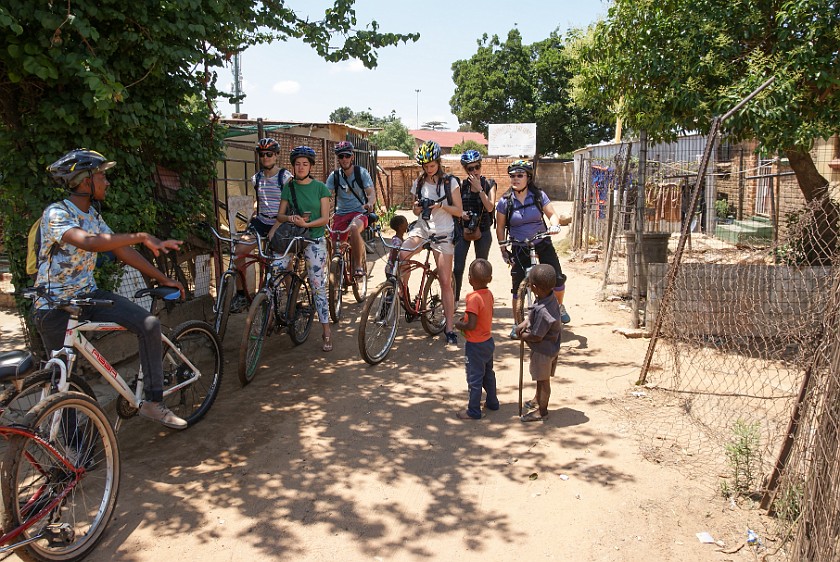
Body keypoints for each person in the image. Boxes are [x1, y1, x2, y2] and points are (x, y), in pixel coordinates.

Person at [34, 149, 188, 429]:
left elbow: (120, 250)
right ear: (84, 181)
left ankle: (153, 402)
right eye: (102, 176)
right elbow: (90, 242)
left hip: (89, 297)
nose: (107, 182)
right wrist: (142, 236)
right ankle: (69, 452)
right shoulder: (56, 213)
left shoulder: (92, 214)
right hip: (54, 305)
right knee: (61, 380)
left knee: (149, 324)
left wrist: (162, 278)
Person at [267, 146, 333, 351]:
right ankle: (269, 317)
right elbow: (280, 216)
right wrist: (291, 218)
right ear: (293, 167)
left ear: (311, 166)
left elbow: (324, 218)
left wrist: (307, 224)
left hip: (314, 238)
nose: (301, 167)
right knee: (274, 274)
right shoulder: (289, 186)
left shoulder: (321, 188)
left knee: (317, 285)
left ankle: (326, 331)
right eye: (297, 164)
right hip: (293, 237)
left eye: (305, 164)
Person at [495, 159, 570, 338]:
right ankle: (516, 324)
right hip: (519, 247)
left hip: (541, 243)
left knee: (557, 280)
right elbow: (500, 228)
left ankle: (558, 307)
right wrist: (504, 250)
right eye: (512, 176)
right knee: (517, 287)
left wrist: (554, 225)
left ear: (528, 177)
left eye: (519, 175)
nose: (515, 179)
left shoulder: (538, 195)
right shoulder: (505, 201)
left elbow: (552, 215)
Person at [400, 140, 463, 347]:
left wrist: (440, 205)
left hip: (444, 232)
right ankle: (402, 295)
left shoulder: (450, 182)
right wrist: (419, 208)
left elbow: (458, 211)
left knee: (445, 281)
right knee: (402, 254)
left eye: (432, 165)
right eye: (425, 166)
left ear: (438, 162)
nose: (429, 169)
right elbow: (415, 211)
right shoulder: (419, 183)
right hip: (423, 228)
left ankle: (450, 328)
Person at [230, 138, 293, 311]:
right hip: (261, 221)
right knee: (238, 253)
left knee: (284, 264)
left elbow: (288, 205)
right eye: (262, 154)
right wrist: (254, 213)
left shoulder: (285, 177)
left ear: (276, 156)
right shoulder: (256, 178)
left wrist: (278, 226)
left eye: (269, 154)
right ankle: (242, 294)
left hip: (280, 222)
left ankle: (292, 301)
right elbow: (262, 199)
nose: (265, 158)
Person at [515, 264, 562, 423]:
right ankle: (537, 399)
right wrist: (526, 322)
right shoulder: (548, 297)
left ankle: (542, 411)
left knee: (543, 381)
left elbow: (536, 336)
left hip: (543, 351)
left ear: (534, 287)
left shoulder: (544, 312)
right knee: (541, 379)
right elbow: (533, 314)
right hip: (550, 347)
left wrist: (522, 335)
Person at [453, 258, 498, 420]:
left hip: (475, 346)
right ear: (490, 279)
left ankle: (473, 410)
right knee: (488, 374)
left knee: (474, 378)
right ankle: (492, 402)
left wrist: (459, 325)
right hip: (488, 342)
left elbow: (471, 324)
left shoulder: (473, 298)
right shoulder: (488, 294)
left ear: (470, 278)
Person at [326, 141, 376, 277]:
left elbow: (371, 193)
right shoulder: (334, 176)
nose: (344, 159)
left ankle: (358, 265)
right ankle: (337, 272)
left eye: (347, 156)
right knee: (335, 244)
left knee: (354, 228)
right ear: (338, 158)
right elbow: (325, 195)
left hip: (359, 213)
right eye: (341, 156)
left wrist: (370, 203)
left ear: (352, 156)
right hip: (340, 214)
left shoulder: (361, 173)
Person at [453, 149, 496, 303]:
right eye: (470, 168)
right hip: (463, 229)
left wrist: (479, 189)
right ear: (465, 169)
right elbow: (455, 207)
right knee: (457, 267)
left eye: (477, 167)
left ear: (481, 165)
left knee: (481, 269)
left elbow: (490, 207)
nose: (474, 171)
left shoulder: (489, 184)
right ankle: (455, 299)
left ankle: (478, 300)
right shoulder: (461, 186)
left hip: (483, 230)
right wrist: (462, 213)